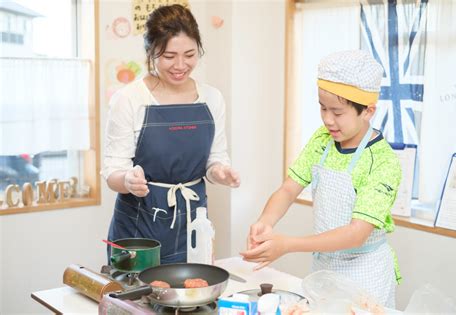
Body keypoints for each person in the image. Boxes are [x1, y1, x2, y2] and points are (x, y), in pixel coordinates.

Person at [241, 50, 402, 307]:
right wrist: (265, 222)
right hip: (324, 267)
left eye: (337, 113)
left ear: (368, 111)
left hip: (365, 273)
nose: (328, 120)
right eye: (323, 108)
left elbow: (356, 233)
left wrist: (287, 245)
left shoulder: (383, 162)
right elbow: (288, 189)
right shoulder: (322, 140)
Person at [102, 4, 240, 264]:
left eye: (189, 54)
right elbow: (112, 172)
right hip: (139, 228)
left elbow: (214, 159)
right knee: (136, 300)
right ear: (150, 52)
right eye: (168, 56)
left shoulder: (211, 98)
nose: (180, 65)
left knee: (193, 294)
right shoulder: (130, 99)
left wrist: (220, 171)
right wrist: (128, 181)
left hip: (193, 222)